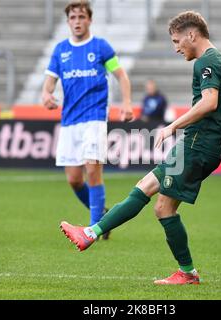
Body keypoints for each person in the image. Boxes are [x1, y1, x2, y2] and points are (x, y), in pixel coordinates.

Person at [60, 11, 221, 284]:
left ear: (191, 34)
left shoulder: (205, 62)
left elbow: (209, 102)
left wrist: (173, 126)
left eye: (177, 40)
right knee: (145, 186)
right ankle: (90, 233)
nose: (176, 48)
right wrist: (216, 139)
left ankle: (187, 273)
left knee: (164, 209)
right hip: (201, 146)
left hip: (195, 145)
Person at [41, 1, 134, 238]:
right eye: (73, 17)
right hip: (70, 120)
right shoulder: (60, 50)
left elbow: (121, 77)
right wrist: (46, 95)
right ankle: (103, 216)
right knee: (74, 180)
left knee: (93, 170)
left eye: (81, 17)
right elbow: (49, 83)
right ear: (68, 21)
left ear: (89, 20)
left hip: (94, 117)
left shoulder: (100, 47)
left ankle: (93, 229)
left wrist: (126, 104)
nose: (77, 21)